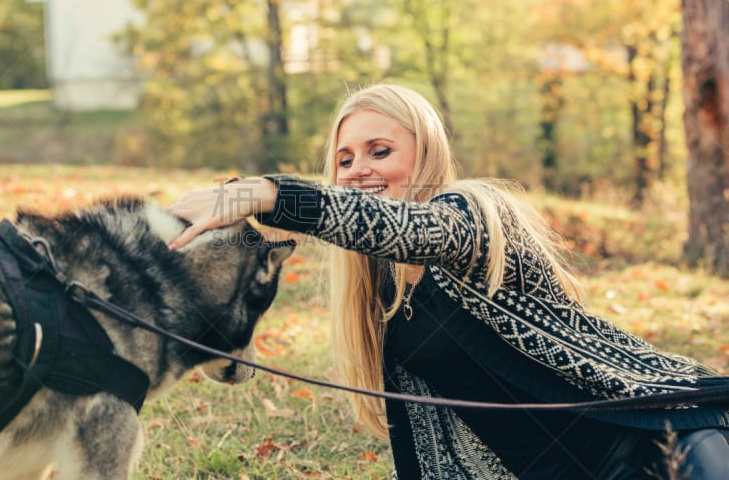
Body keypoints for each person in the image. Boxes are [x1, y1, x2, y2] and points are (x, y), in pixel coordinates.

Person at [167, 83, 729, 479]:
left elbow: (412, 229)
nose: (358, 168)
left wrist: (266, 192)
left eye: (380, 150)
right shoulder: (387, 299)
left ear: (426, 152)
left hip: (662, 443)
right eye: (344, 159)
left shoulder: (476, 216)